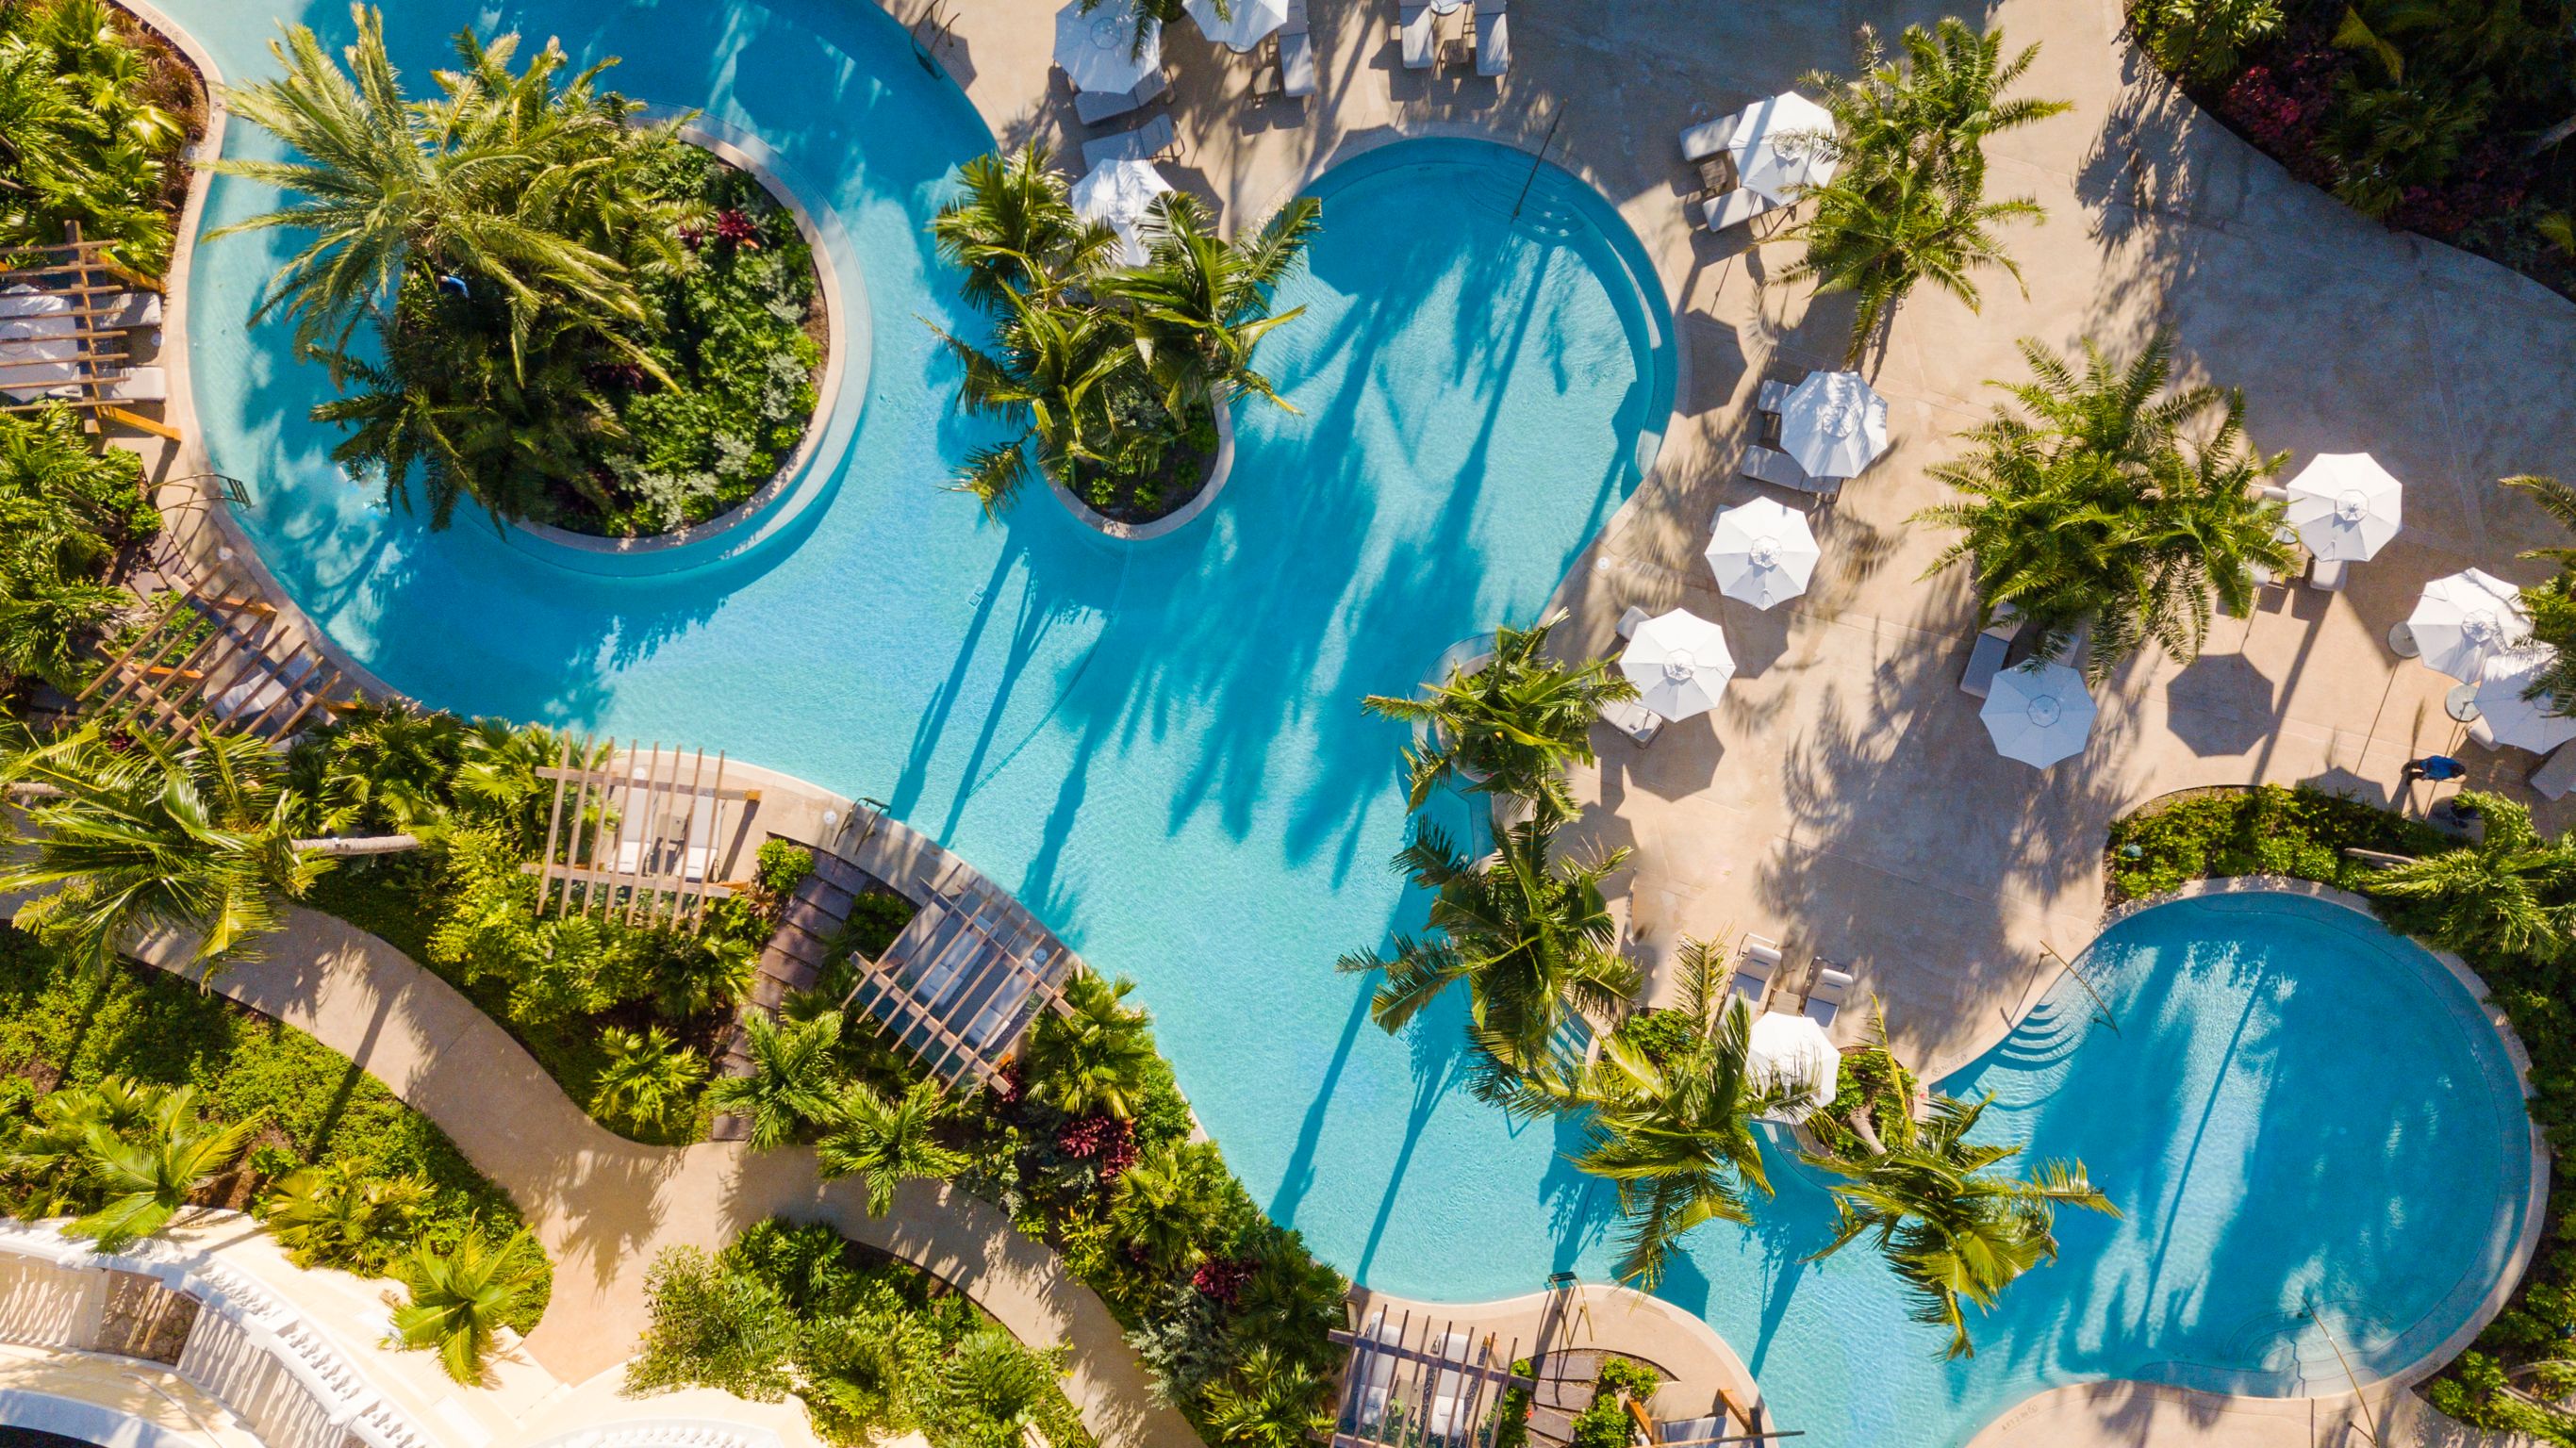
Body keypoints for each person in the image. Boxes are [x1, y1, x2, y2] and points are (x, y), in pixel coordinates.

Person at [2402, 754, 2466, 785]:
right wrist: (2429, 764)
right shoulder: (2451, 763)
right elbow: (2438, 760)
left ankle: (2412, 775)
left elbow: (2446, 776)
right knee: (2418, 765)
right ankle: (2411, 764)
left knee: (2420, 776)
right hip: (2428, 765)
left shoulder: (2454, 774)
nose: (2454, 774)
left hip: (2433, 775)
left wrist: (2440, 779)